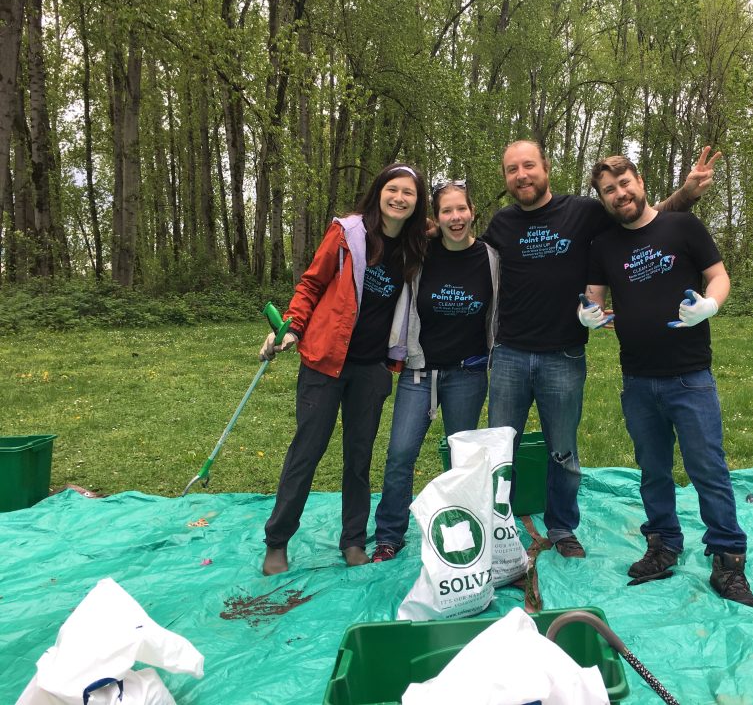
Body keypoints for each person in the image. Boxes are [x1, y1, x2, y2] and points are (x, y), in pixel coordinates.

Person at [482, 140, 720, 558]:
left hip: (564, 354)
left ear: (546, 167)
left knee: (564, 452)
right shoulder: (501, 224)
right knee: (501, 451)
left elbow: (643, 218)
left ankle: (561, 528)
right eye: (511, 169)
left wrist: (687, 193)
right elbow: (466, 256)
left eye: (529, 165)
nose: (521, 175)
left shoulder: (583, 212)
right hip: (509, 355)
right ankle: (495, 529)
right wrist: (428, 232)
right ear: (505, 178)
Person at [582, 154, 753, 608]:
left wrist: (710, 306)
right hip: (637, 380)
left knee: (709, 471)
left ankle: (728, 562)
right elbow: (594, 300)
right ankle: (663, 545)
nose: (620, 193)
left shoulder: (682, 227)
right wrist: (588, 314)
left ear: (640, 181)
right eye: (609, 189)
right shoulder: (603, 246)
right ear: (603, 199)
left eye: (625, 182)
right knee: (653, 471)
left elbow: (718, 277)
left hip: (690, 376)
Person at [258, 163, 428, 575]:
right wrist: (292, 326)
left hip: (371, 369)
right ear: (379, 192)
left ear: (416, 203)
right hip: (324, 362)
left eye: (409, 193)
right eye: (393, 189)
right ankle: (277, 542)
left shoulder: (413, 246)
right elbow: (312, 284)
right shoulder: (347, 233)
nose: (400, 198)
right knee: (307, 451)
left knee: (359, 457)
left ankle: (353, 540)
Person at [370, 180, 499, 562]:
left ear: (472, 211)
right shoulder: (420, 254)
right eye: (447, 211)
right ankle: (389, 535)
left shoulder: (492, 258)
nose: (455, 218)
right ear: (436, 218)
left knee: (464, 462)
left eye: (461, 209)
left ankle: (465, 533)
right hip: (419, 373)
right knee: (399, 455)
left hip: (469, 374)